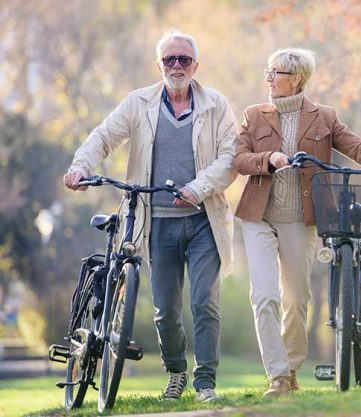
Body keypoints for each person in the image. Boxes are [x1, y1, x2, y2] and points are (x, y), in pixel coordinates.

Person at [63, 30, 238, 403]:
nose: (177, 66)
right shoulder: (138, 103)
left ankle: (205, 382)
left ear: (196, 66)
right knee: (165, 311)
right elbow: (104, 136)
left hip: (204, 218)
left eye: (184, 60)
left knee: (204, 302)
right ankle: (176, 372)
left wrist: (197, 187)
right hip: (155, 223)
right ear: (158, 65)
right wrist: (81, 166)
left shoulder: (217, 104)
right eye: (169, 60)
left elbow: (230, 159)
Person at [233, 48, 361, 398]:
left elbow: (358, 147)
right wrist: (267, 159)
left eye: (275, 72)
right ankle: (277, 377)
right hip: (258, 216)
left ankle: (290, 370)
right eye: (267, 71)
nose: (268, 78)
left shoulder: (324, 117)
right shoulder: (254, 115)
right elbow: (239, 158)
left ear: (296, 78)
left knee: (297, 298)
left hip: (300, 220)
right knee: (264, 295)